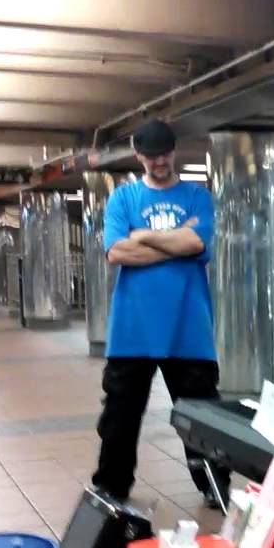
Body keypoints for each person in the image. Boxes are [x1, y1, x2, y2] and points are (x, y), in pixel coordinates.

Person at [90, 118, 230, 507]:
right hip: (131, 331)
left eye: (165, 154)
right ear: (139, 156)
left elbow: (196, 241)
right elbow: (117, 252)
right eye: (151, 156)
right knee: (119, 417)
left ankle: (214, 487)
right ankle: (112, 487)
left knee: (202, 418)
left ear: (175, 151)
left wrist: (145, 236)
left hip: (189, 329)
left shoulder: (197, 197)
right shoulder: (122, 199)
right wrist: (176, 242)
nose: (159, 162)